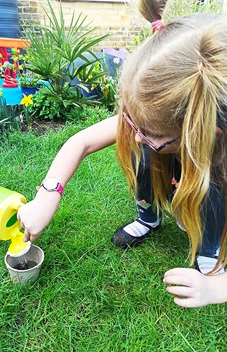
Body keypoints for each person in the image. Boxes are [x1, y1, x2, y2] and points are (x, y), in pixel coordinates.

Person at [17, 0, 227, 308]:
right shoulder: (155, 116)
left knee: (213, 188)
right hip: (186, 161)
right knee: (140, 151)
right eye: (130, 120)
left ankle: (212, 255)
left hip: (212, 171)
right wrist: (48, 194)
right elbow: (81, 142)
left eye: (150, 132)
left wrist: (218, 289)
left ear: (203, 130)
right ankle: (149, 217)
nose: (133, 132)